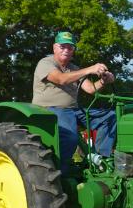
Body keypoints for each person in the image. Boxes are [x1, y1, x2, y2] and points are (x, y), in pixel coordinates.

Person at [32, 31, 116, 174]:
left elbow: (90, 89)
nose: (66, 50)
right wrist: (90, 69)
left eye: (70, 47)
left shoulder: (74, 68)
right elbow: (61, 79)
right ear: (54, 48)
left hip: (73, 111)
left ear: (73, 51)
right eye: (62, 46)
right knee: (70, 136)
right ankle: (59, 172)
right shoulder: (45, 63)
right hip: (50, 109)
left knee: (110, 117)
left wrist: (103, 81)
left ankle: (100, 161)